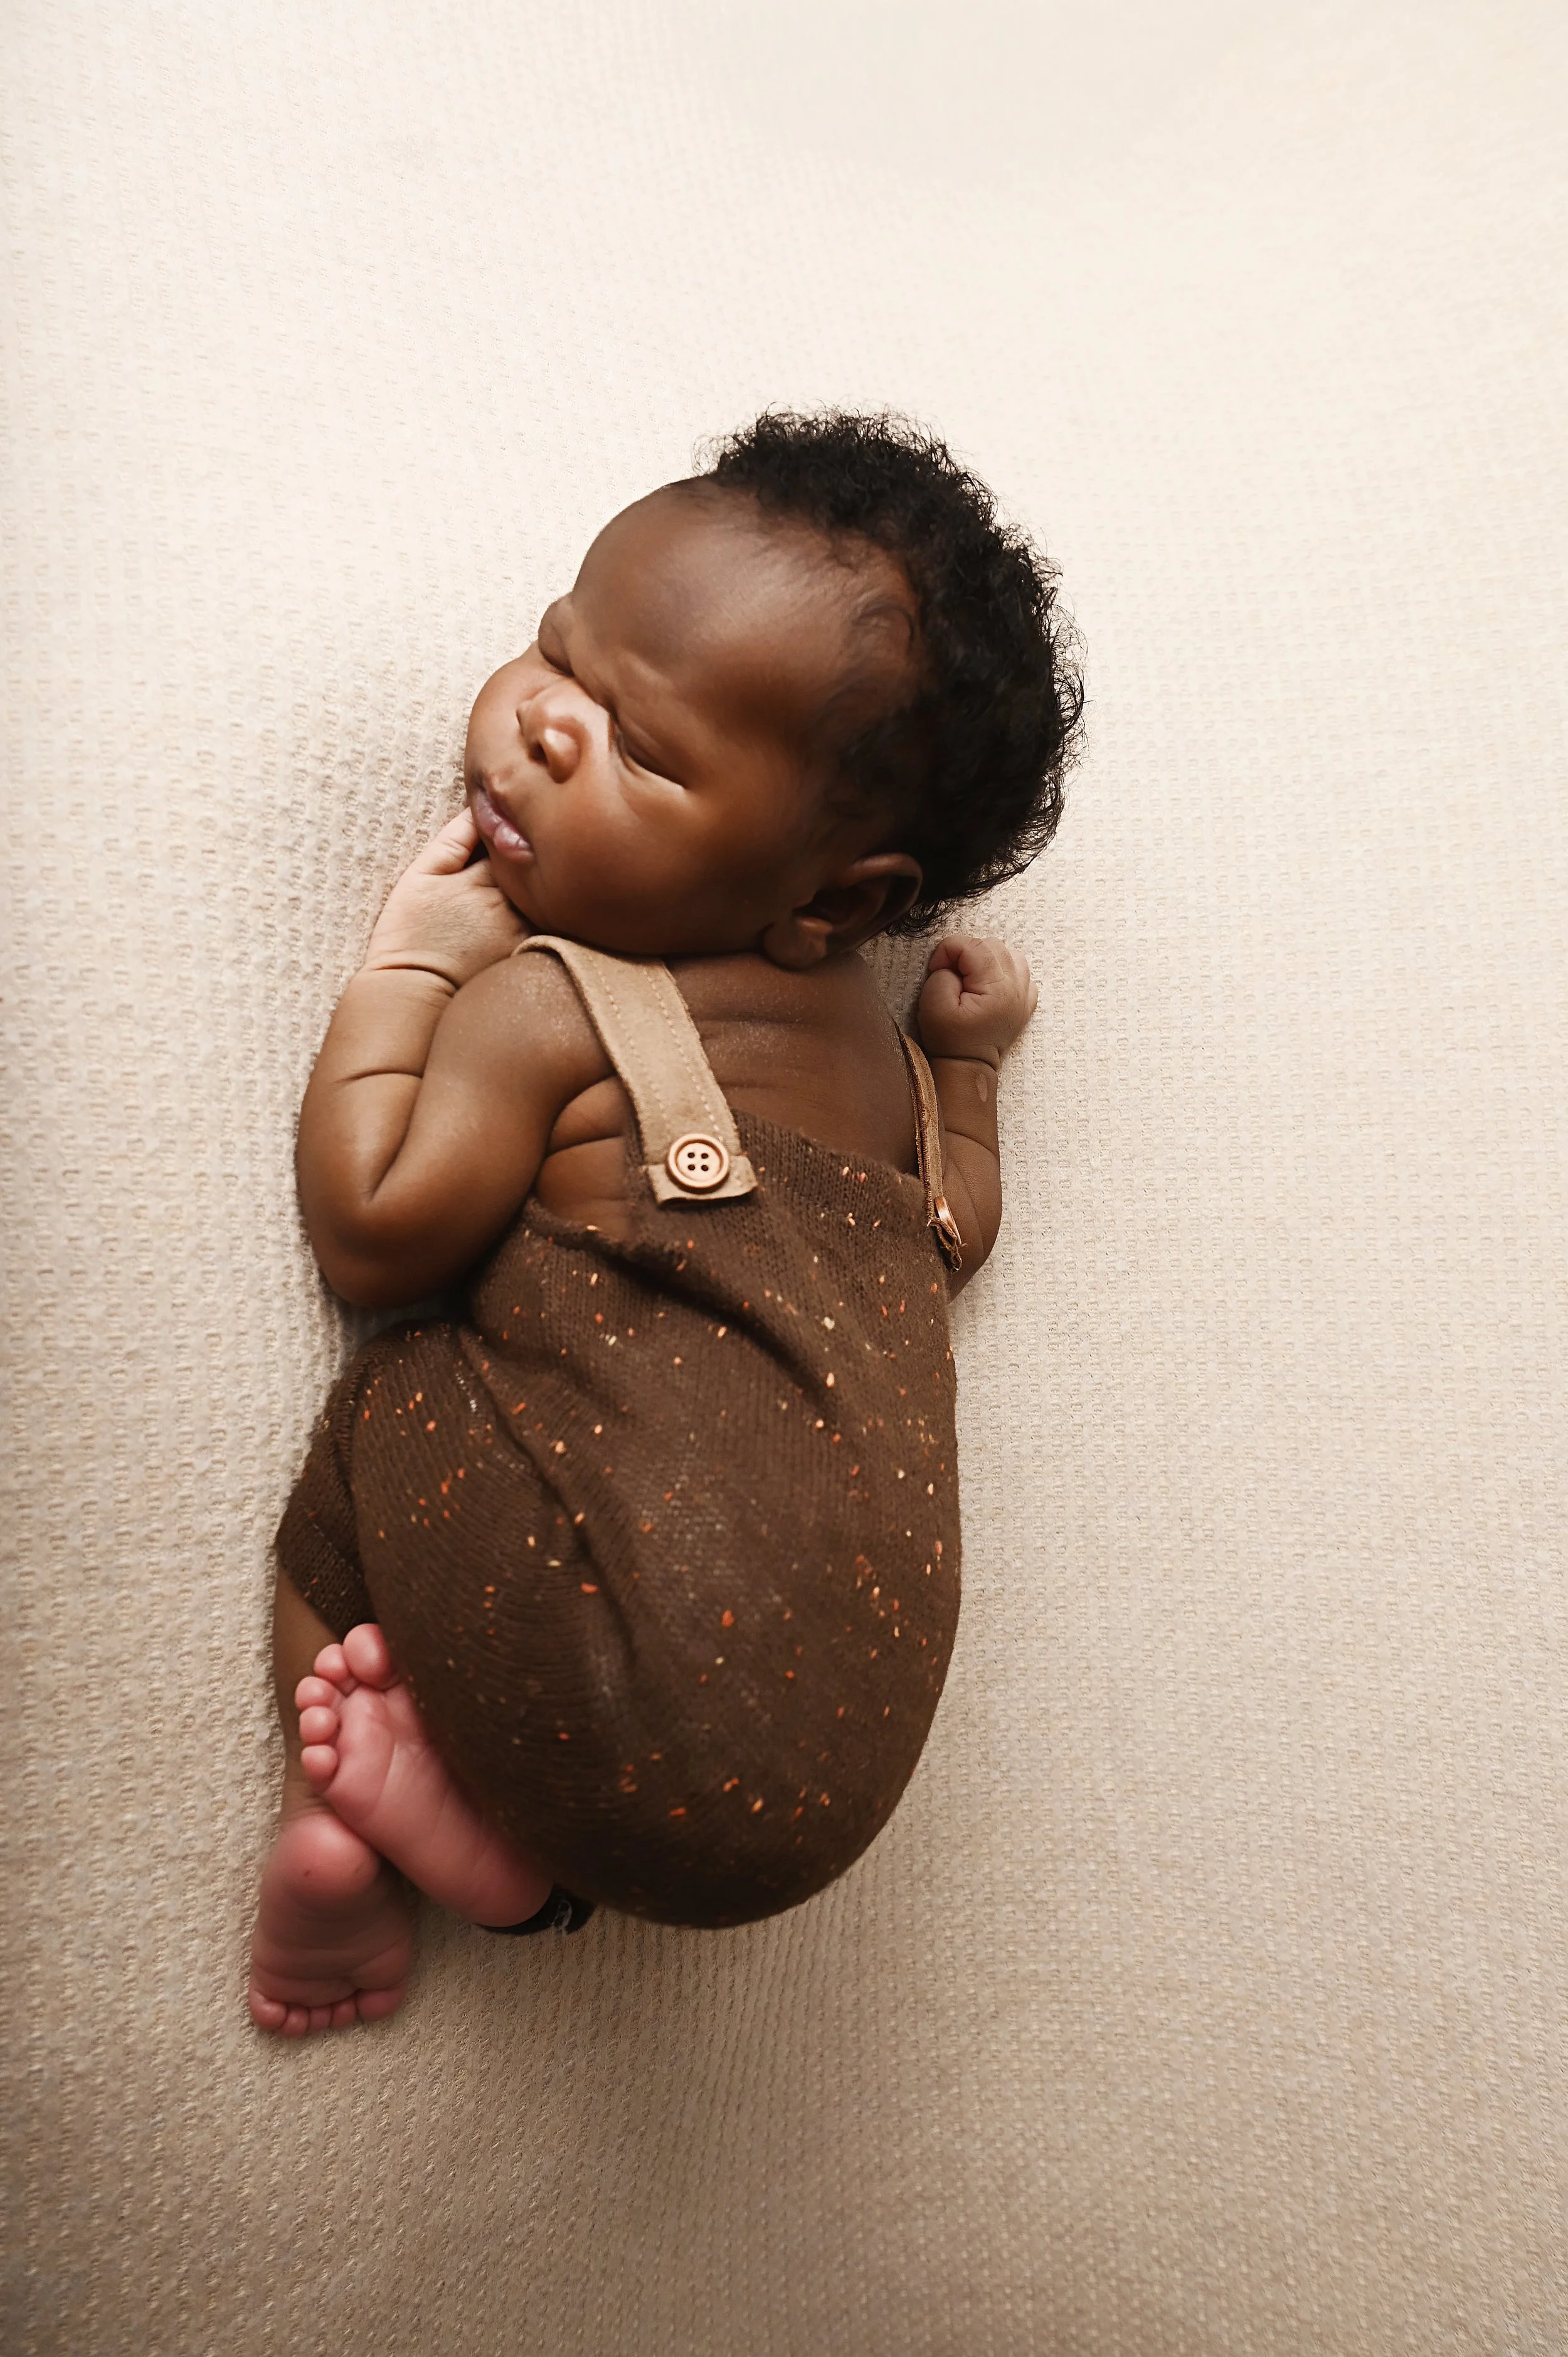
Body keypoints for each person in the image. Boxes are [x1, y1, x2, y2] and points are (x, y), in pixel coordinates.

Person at [248, 412, 1081, 2035]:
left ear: (835, 897)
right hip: (818, 1794)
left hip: (606, 1668)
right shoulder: (872, 1063)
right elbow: (949, 1228)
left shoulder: (555, 1006)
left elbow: (369, 1234)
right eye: (555, 653)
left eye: (639, 749)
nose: (544, 725)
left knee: (387, 1397)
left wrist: (416, 960)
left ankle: (339, 1812)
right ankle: (517, 1871)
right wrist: (966, 1067)